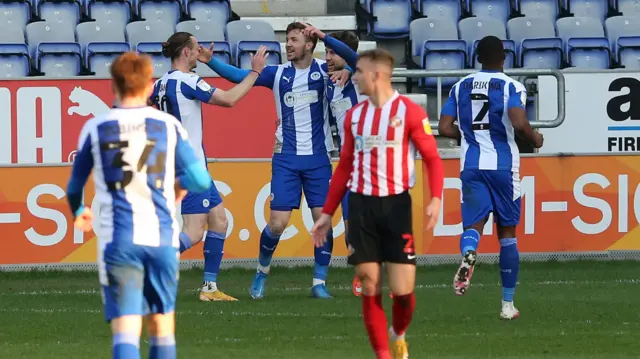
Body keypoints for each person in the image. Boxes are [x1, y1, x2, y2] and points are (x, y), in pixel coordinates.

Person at [66, 52, 212, 359]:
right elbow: (200, 178)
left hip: (120, 241)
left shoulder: (97, 128)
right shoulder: (166, 125)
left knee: (126, 330)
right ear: (149, 86)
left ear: (114, 85)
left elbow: (74, 186)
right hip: (160, 239)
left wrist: (79, 212)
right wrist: (177, 188)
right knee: (162, 327)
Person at [205, 22, 357, 299]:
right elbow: (238, 75)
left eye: (294, 40)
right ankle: (262, 272)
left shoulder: (326, 72)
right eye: (287, 39)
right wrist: (210, 60)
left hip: (318, 158)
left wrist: (347, 68)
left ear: (309, 45)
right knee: (277, 223)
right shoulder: (277, 74)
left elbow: (358, 63)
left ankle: (318, 283)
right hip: (286, 158)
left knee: (321, 220)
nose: (288, 45)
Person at [312, 49, 445, 359]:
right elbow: (344, 166)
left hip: (396, 207)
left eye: (359, 72)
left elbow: (432, 159)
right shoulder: (354, 117)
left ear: (377, 75)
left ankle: (398, 334)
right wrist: (327, 212)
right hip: (360, 208)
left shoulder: (409, 112)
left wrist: (436, 198)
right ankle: (383, 355)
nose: (354, 76)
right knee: (370, 285)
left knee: (403, 293)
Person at [150, 32, 268, 302]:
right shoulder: (188, 81)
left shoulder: (161, 84)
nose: (198, 52)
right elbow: (228, 99)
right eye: (195, 48)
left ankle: (210, 288)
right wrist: (254, 73)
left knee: (219, 220)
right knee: (193, 231)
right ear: (185, 53)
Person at [437, 36, 544, 320]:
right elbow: (519, 123)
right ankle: (507, 306)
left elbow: (444, 127)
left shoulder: (460, 86)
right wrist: (536, 138)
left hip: (471, 164)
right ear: (504, 58)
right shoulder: (512, 86)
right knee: (507, 234)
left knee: (473, 225)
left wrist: (469, 135)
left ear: (477, 57)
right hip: (504, 167)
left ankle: (469, 252)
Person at [302, 25, 367, 297]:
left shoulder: (359, 75)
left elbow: (355, 60)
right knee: (353, 226)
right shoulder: (329, 81)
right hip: (347, 162)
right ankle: (363, 273)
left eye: (332, 52)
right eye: (325, 52)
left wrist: (322, 37)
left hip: (372, 160)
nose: (328, 57)